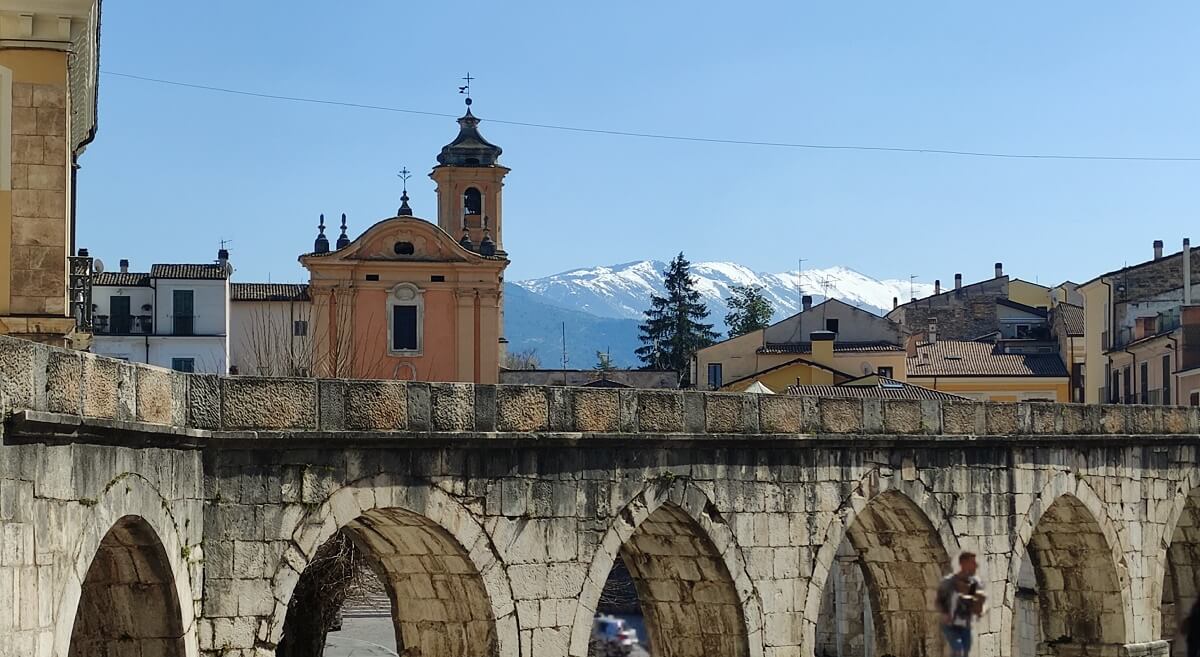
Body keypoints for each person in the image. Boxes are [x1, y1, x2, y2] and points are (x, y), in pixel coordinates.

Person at [936, 551, 986, 657]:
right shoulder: (949, 582)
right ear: (963, 564)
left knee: (964, 653)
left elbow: (973, 601)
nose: (976, 566)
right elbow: (939, 601)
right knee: (959, 651)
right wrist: (944, 614)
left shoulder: (974, 583)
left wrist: (978, 603)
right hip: (950, 625)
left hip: (965, 625)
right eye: (972, 563)